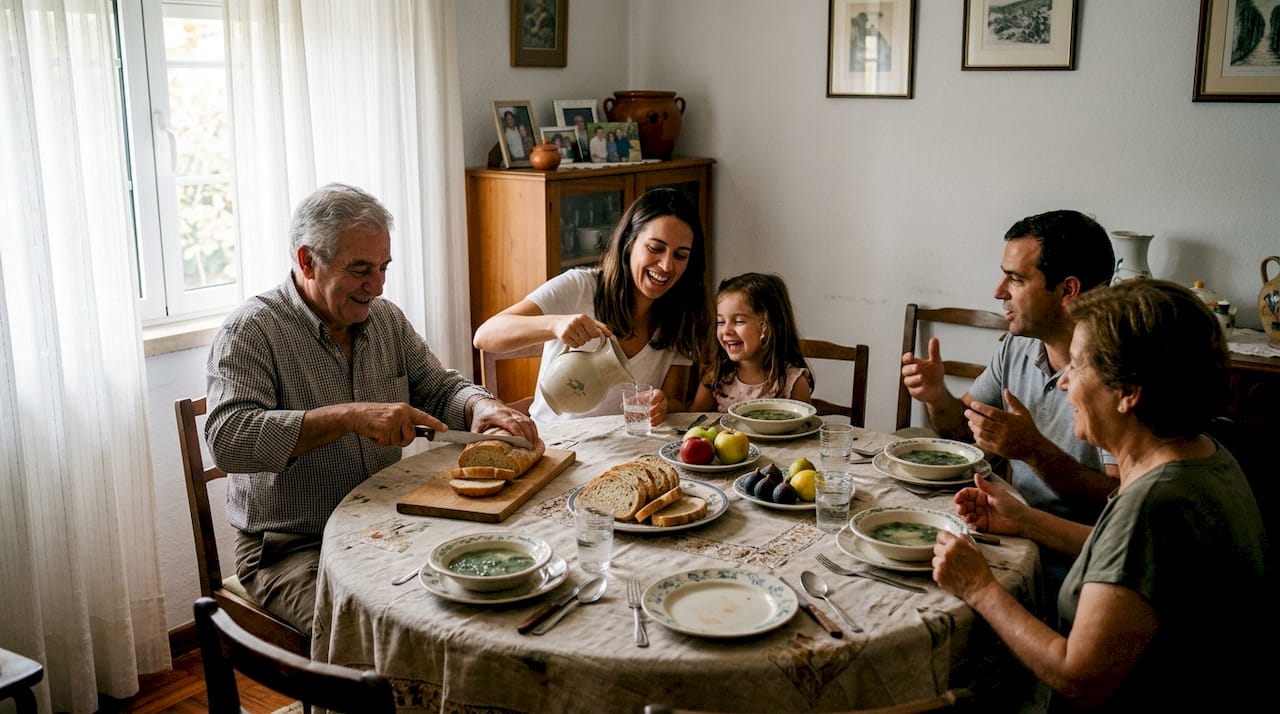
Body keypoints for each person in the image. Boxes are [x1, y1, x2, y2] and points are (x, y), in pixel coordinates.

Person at [205, 183, 538, 634]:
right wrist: (350, 416)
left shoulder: (385, 319)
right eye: (361, 269)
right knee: (370, 637)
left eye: (383, 267)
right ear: (307, 261)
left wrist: (479, 405)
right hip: (293, 546)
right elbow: (229, 440)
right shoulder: (251, 331)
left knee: (481, 598)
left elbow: (439, 388)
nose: (377, 286)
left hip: (383, 520)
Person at [933, 280, 1269, 712]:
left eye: (1076, 366)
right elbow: (1134, 564)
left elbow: (1078, 678)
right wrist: (1026, 521)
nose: (1062, 383)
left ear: (1128, 393)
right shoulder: (1204, 455)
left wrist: (979, 587)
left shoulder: (1152, 504)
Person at [901, 210, 1117, 526]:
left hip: (1075, 555)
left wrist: (1034, 451)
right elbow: (963, 433)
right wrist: (936, 397)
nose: (998, 291)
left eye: (1016, 278)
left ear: (1067, 290)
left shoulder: (1119, 370)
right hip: (1007, 522)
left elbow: (1121, 504)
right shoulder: (1018, 345)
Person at [473, 187, 708, 425]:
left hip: (626, 450)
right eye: (655, 248)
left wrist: (663, 404)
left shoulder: (681, 314)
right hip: (555, 444)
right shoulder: (580, 287)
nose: (667, 265)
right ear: (629, 241)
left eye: (680, 255)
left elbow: (676, 400)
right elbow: (485, 335)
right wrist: (554, 324)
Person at [689, 272, 813, 412]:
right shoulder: (715, 377)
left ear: (767, 326)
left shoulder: (793, 382)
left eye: (739, 321)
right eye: (721, 322)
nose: (726, 330)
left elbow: (805, 430)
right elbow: (693, 423)